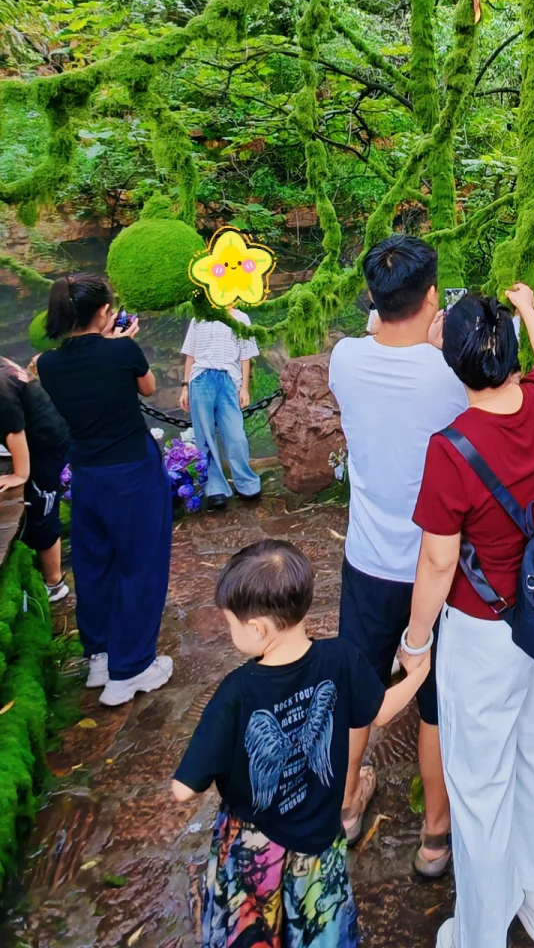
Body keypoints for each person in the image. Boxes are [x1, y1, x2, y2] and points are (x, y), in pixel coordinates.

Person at [405, 284, 534, 948]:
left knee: (479, 782)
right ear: (508, 350)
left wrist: (417, 643)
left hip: (483, 630)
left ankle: (479, 931)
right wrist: (529, 306)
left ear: (455, 364)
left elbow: (438, 565)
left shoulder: (452, 449)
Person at [172, 539, 429, 948]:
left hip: (253, 852)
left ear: (257, 629)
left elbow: (184, 789)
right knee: (320, 931)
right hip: (319, 842)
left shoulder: (235, 695)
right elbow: (379, 711)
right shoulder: (341, 658)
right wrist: (417, 673)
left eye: (231, 623)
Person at [327, 235, 467, 872]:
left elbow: (367, 335)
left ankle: (347, 806)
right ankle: (435, 836)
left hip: (367, 559)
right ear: (433, 297)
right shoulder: (451, 376)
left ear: (376, 300)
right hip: (439, 569)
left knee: (359, 685)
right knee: (434, 697)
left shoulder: (344, 361)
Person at [36, 273, 173, 706]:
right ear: (102, 313)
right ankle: (130, 670)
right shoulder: (123, 351)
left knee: (95, 564)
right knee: (141, 563)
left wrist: (110, 343)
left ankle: (100, 655)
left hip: (87, 473)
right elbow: (147, 388)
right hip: (131, 471)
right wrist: (121, 343)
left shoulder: (48, 364)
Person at [0, 356, 70, 603]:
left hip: (45, 445)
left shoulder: (0, 383)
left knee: (42, 510)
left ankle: (54, 582)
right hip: (37, 439)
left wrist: (20, 474)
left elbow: (14, 431)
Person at [179, 309, 262, 511]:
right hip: (201, 377)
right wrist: (185, 386)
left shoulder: (242, 318)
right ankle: (215, 488)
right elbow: (190, 354)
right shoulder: (199, 317)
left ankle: (246, 483)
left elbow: (245, 356)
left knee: (235, 434)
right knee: (205, 435)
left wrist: (244, 388)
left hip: (228, 379)